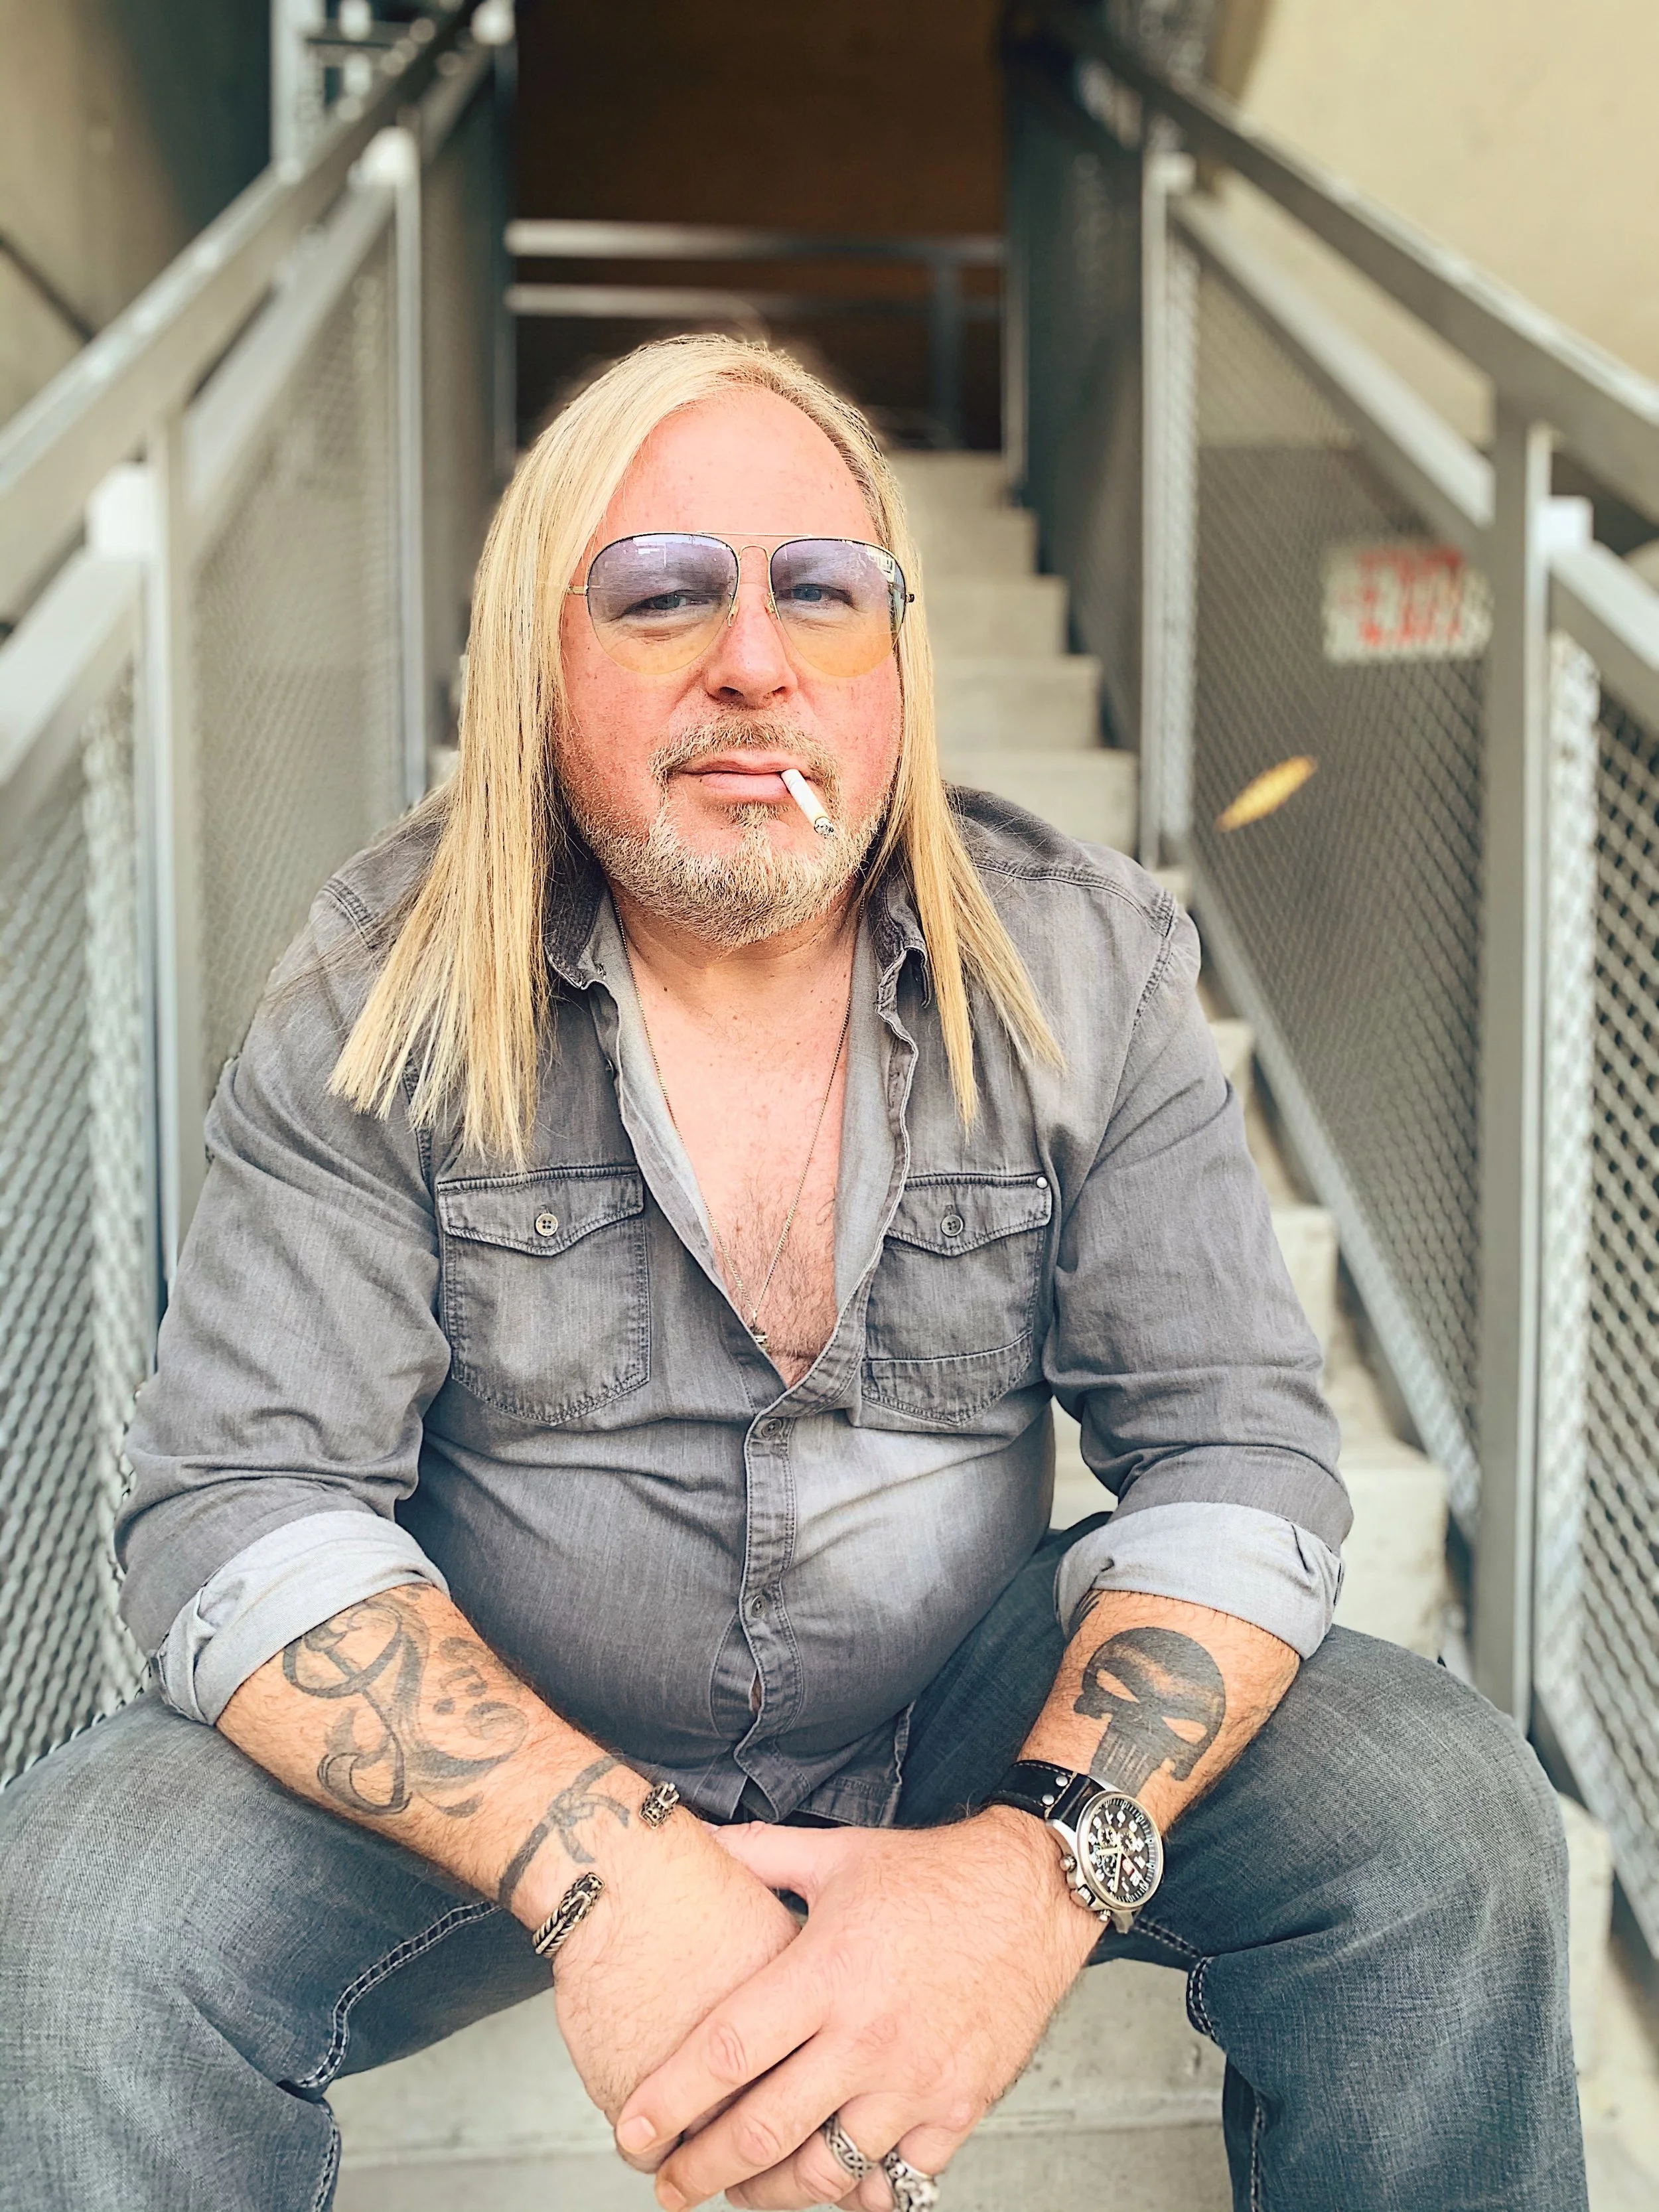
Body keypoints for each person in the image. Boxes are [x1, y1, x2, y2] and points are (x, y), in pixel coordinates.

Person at [0, 336, 1583, 2212]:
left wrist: (1029, 1868)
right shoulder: (378, 982)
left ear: (893, 659)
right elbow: (244, 1498)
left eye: (821, 589)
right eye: (662, 590)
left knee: (1438, 1801)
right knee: (96, 1884)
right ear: (537, 659)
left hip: (954, 1726)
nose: (752, 659)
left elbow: (1239, 1451)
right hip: (504, 1768)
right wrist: (605, 1862)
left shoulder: (1090, 962)